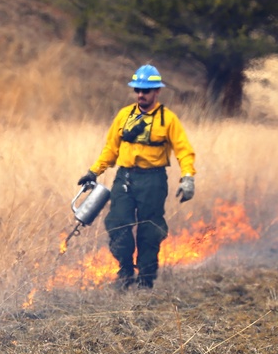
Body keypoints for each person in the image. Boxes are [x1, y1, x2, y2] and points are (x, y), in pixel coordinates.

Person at [77, 64, 196, 289]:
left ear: (157, 91)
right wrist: (93, 172)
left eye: (146, 90)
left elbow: (184, 150)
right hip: (124, 179)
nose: (141, 94)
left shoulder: (168, 119)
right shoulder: (124, 115)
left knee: (150, 230)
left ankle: (146, 279)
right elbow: (110, 149)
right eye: (138, 90)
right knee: (117, 224)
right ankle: (124, 272)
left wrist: (188, 177)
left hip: (153, 180)